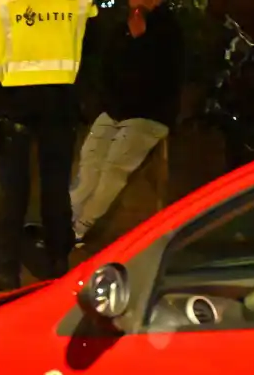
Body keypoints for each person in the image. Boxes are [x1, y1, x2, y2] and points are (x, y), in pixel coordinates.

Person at [0, 0, 99, 290]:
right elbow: (93, 42)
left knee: (13, 188)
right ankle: (58, 264)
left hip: (13, 97)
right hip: (61, 96)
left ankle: (6, 269)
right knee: (56, 186)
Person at [70, 0, 183, 246]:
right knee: (90, 160)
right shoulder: (120, 27)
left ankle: (80, 226)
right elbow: (107, 69)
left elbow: (159, 77)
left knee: (114, 168)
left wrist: (140, 40)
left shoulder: (167, 30)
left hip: (148, 114)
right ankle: (65, 220)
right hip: (115, 110)